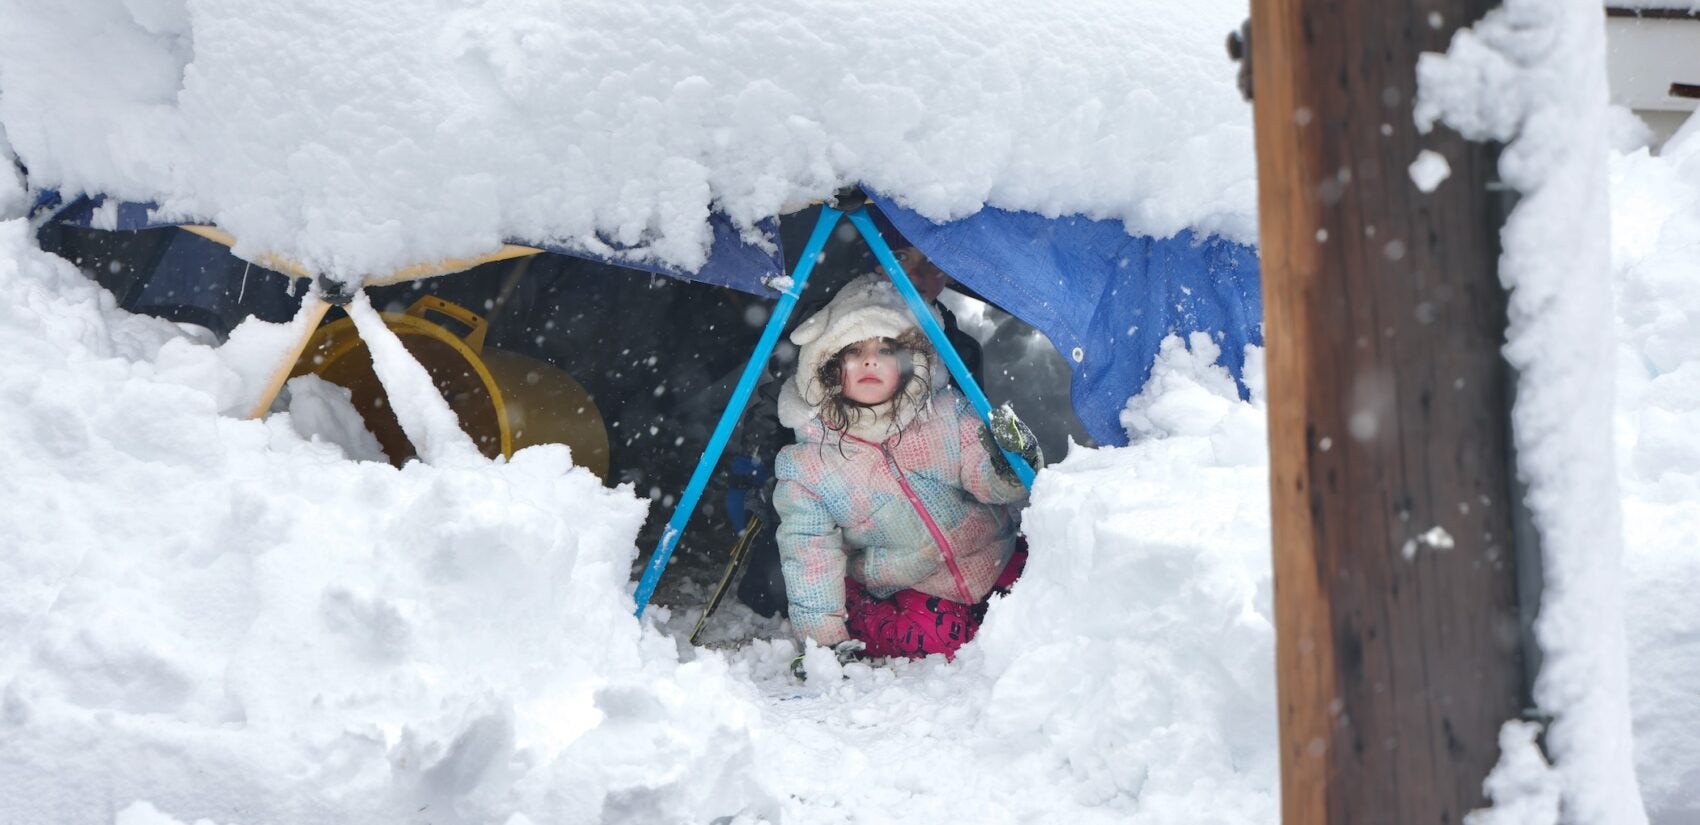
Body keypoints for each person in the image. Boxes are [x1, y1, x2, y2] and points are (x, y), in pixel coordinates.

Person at [771, 274, 1041, 663]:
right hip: (915, 582)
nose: (870, 360)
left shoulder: (946, 415)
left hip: (991, 555)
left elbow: (987, 480)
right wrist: (824, 641)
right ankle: (859, 608)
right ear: (829, 364)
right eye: (854, 350)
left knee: (1043, 594)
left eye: (886, 349)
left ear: (910, 363)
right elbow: (809, 552)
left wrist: (1008, 465)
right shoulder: (811, 466)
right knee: (940, 641)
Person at [733, 216, 983, 618]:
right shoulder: (831, 325)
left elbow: (972, 440)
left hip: (919, 500)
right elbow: (782, 407)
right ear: (874, 260)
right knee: (780, 587)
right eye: (900, 256)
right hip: (838, 490)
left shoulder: (958, 351)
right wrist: (761, 473)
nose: (916, 274)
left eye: (934, 262)